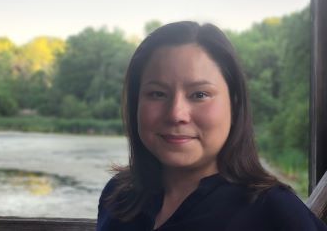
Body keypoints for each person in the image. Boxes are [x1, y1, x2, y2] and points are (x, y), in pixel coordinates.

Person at [96, 21, 327, 231]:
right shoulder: (118, 195)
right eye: (157, 94)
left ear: (234, 105)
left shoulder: (275, 214)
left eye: (199, 94)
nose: (177, 114)